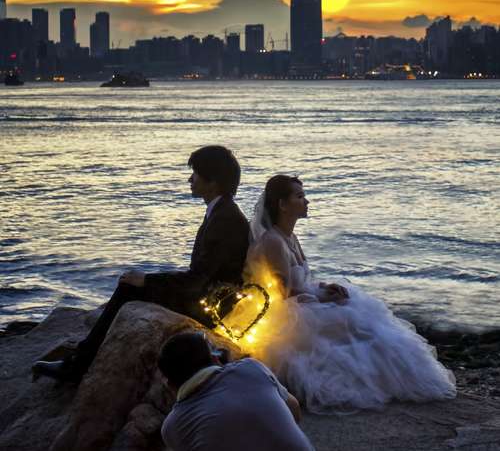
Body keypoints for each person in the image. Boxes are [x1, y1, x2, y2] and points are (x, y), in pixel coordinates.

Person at [239, 174, 456, 414]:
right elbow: (282, 292)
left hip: (305, 300)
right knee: (355, 323)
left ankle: (393, 377)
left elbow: (303, 279)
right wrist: (320, 297)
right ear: (282, 204)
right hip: (288, 313)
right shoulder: (273, 241)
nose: (306, 201)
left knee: (362, 314)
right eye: (299, 197)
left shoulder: (290, 236)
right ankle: (381, 381)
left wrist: (324, 286)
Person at [32, 145, 250, 382]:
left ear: (213, 181)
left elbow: (197, 280)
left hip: (208, 305)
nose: (190, 179)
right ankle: (79, 360)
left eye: (195, 174)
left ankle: (76, 366)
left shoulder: (225, 219)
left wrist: (146, 280)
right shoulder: (221, 212)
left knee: (129, 287)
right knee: (131, 283)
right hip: (207, 296)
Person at [158, 332, 314, 451]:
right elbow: (294, 410)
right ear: (215, 359)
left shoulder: (172, 427)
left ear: (170, 385)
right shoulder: (252, 367)